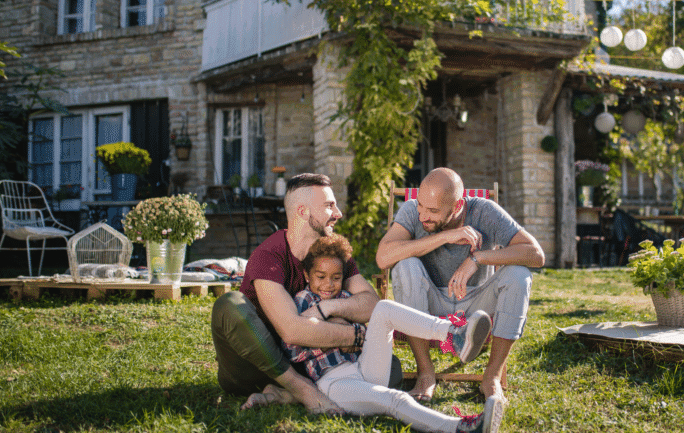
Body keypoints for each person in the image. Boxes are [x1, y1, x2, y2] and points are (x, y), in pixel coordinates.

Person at [250, 234, 504, 433]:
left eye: (336, 277)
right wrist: (343, 330)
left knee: (383, 307)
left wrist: (338, 324)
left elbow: (368, 328)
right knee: (395, 399)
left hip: (365, 367)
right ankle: (459, 427)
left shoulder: (346, 298)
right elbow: (294, 345)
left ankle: (453, 335)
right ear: (306, 275)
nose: (328, 284)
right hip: (334, 384)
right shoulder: (301, 300)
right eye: (321, 276)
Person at [210, 173, 389, 413]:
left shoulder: (332, 253)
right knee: (230, 305)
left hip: (312, 362)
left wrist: (329, 307)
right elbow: (292, 331)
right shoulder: (269, 255)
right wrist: (356, 336)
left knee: (392, 369)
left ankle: (282, 396)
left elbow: (371, 303)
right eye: (329, 206)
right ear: (303, 211)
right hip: (255, 368)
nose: (338, 214)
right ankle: (302, 390)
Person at [376, 167, 545, 402]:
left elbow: (535, 254)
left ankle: (492, 377)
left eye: (433, 211)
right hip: (430, 302)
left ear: (457, 207)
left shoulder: (485, 211)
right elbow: (383, 257)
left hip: (477, 306)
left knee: (519, 275)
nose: (423, 215)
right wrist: (444, 236)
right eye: (421, 206)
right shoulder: (412, 211)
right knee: (405, 266)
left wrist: (477, 258)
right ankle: (425, 373)